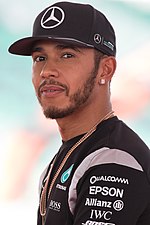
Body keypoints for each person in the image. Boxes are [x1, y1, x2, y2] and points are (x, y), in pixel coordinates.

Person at [8, 2, 150, 225]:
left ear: (106, 69)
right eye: (39, 58)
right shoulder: (68, 155)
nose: (47, 71)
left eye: (67, 55)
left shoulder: (115, 163)